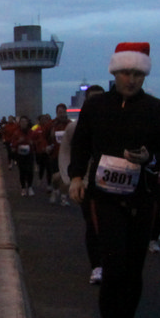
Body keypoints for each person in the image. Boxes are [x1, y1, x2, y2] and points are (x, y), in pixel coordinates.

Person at [69, 43, 160, 318]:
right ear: (114, 73)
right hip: (105, 198)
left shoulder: (158, 110)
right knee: (113, 267)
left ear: (144, 75)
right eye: (124, 73)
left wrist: (151, 159)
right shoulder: (96, 107)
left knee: (133, 273)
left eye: (136, 74)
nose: (130, 80)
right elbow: (81, 144)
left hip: (142, 197)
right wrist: (75, 177)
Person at [59, 85, 106, 281]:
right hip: (87, 183)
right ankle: (97, 266)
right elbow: (66, 153)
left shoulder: (113, 123)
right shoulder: (75, 127)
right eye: (92, 99)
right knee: (92, 223)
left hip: (112, 183)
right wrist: (71, 179)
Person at [11, 115, 36, 196]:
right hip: (20, 155)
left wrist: (32, 143)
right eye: (22, 122)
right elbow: (13, 144)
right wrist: (18, 142)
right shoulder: (16, 133)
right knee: (22, 171)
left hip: (29, 154)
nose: (23, 123)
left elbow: (36, 142)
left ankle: (30, 187)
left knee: (30, 171)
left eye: (25, 121)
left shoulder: (32, 132)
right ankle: (23, 188)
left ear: (27, 123)